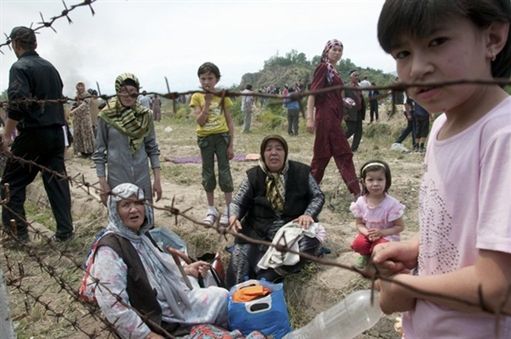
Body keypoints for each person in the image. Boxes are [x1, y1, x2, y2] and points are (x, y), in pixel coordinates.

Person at [373, 1, 511, 338]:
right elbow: (463, 219)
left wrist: (410, 288)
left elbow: (499, 289)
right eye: (402, 53)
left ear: (492, 38)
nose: (417, 68)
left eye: (437, 42)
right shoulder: (440, 128)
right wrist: (417, 246)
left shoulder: (502, 136)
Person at [90, 183, 228, 339]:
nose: (134, 209)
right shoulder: (109, 250)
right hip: (155, 317)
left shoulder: (141, 236)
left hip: (170, 301)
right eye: (125, 204)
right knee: (222, 298)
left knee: (221, 296)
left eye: (138, 203)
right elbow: (112, 303)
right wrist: (146, 335)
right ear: (115, 211)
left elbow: (158, 270)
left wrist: (187, 270)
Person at [0, 26, 73, 242]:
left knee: (11, 182)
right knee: (56, 180)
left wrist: (6, 135)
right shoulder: (51, 67)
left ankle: (17, 235)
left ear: (15, 44)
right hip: (56, 132)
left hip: (33, 133)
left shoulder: (19, 67)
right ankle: (65, 231)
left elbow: (18, 103)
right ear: (35, 44)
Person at [226, 135, 325, 288]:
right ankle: (235, 296)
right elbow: (238, 202)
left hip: (292, 227)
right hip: (258, 229)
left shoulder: (301, 172)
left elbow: (317, 196)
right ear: (262, 154)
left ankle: (269, 276)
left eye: (279, 149)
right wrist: (233, 217)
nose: (274, 153)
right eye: (268, 149)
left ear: (285, 153)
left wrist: (308, 214)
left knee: (309, 243)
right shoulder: (253, 176)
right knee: (239, 261)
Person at [92, 73, 162, 205]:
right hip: (117, 178)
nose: (128, 96)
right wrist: (102, 183)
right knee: (120, 219)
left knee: (144, 217)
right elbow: (99, 153)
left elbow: (152, 148)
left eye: (132, 92)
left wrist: (157, 179)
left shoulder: (146, 116)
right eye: (123, 92)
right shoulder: (106, 116)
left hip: (142, 178)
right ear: (117, 92)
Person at [306, 39, 361, 197]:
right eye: (334, 49)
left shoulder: (333, 70)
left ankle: (309, 190)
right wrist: (310, 118)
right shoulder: (323, 68)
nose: (337, 52)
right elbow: (313, 94)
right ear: (326, 50)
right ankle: (356, 191)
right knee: (343, 152)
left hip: (333, 117)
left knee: (322, 154)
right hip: (325, 116)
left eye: (340, 50)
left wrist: (342, 110)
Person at [190, 62, 235, 226]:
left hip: (222, 137)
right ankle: (211, 209)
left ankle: (229, 208)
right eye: (203, 78)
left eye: (210, 78)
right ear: (199, 80)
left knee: (225, 171)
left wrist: (231, 145)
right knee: (208, 172)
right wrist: (207, 103)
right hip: (205, 139)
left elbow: (230, 121)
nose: (206, 82)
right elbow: (200, 121)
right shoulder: (196, 97)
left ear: (217, 79)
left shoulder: (223, 96)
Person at [350, 160, 404, 269]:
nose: (375, 184)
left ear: (387, 181)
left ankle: (382, 258)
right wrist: (367, 233)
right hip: (369, 235)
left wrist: (381, 233)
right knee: (358, 244)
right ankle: (366, 255)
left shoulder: (392, 204)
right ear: (363, 182)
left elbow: (400, 227)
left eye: (380, 179)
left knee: (381, 249)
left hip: (387, 236)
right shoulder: (361, 202)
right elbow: (359, 224)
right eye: (370, 180)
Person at [70, 81, 95, 157]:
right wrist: (72, 109)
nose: (80, 88)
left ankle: (89, 151)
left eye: (81, 86)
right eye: (78, 86)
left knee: (86, 133)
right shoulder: (77, 96)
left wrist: (74, 111)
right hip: (78, 119)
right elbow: (75, 105)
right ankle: (82, 151)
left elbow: (84, 105)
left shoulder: (87, 95)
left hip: (85, 118)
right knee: (79, 134)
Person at [344, 70, 366, 152]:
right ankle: (338, 142)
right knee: (351, 130)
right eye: (355, 75)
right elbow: (342, 100)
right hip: (350, 112)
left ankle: (353, 148)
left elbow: (361, 99)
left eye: (358, 75)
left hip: (358, 112)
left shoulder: (359, 87)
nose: (357, 77)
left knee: (359, 131)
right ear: (350, 76)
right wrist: (344, 113)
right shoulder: (346, 87)